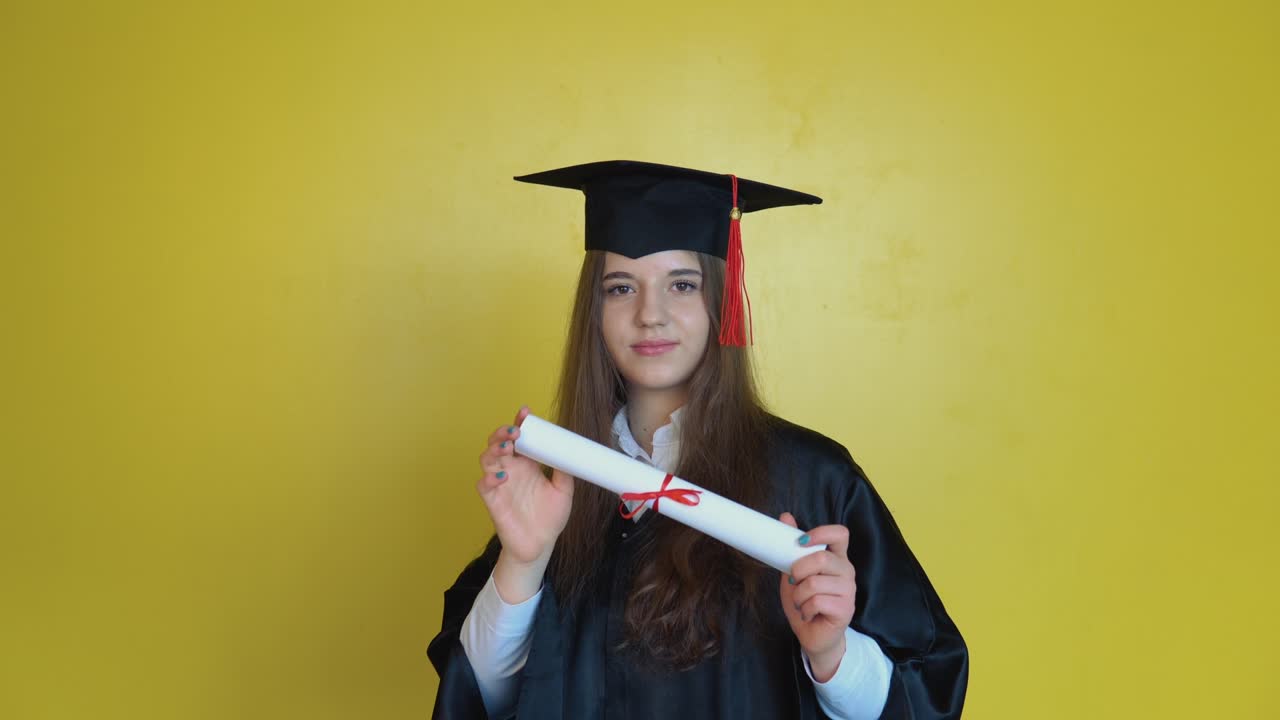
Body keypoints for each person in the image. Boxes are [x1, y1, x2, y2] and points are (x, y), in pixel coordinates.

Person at [427, 161, 968, 719]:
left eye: (682, 284)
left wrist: (830, 651)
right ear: (595, 311)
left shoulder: (813, 479)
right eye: (620, 288)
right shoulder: (563, 491)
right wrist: (525, 559)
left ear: (721, 303)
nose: (650, 315)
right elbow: (483, 698)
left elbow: (923, 696)